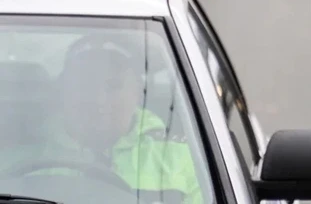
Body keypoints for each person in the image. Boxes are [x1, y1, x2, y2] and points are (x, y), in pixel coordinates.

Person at [41, 38, 203, 202]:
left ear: (138, 93)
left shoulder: (185, 162)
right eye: (85, 85)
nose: (99, 100)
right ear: (63, 92)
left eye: (113, 86)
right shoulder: (26, 156)